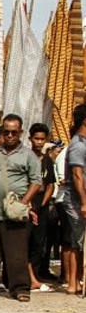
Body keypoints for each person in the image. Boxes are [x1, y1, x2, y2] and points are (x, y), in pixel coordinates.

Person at [0, 114, 41, 302]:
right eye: (6, 131)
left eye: (14, 132)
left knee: (16, 252)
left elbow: (36, 182)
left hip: (15, 210)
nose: (10, 135)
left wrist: (24, 202)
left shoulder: (28, 155)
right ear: (1, 132)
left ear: (20, 133)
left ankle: (20, 288)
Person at [60, 104, 86, 295]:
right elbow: (77, 176)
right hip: (76, 199)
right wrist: (84, 202)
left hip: (81, 198)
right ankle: (72, 283)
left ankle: (76, 283)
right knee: (78, 241)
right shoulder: (78, 145)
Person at [26, 123, 56, 292]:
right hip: (27, 200)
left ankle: (35, 276)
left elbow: (50, 185)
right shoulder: (26, 157)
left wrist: (41, 205)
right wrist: (30, 204)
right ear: (30, 139)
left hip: (41, 203)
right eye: (36, 138)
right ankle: (25, 277)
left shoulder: (47, 161)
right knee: (25, 241)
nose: (38, 142)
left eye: (42, 139)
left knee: (39, 243)